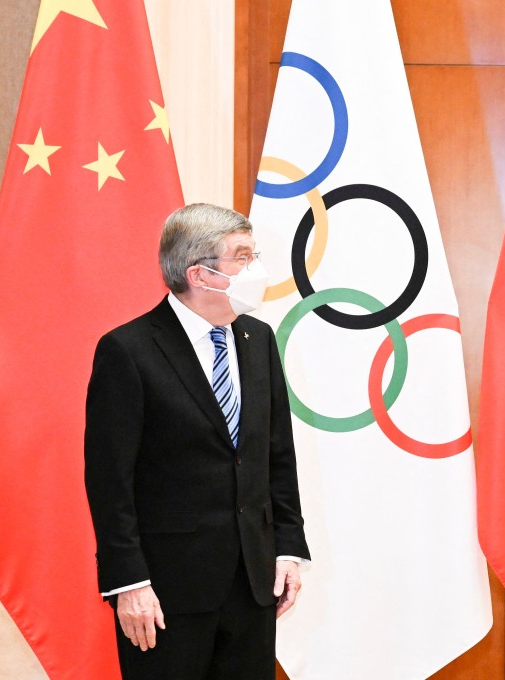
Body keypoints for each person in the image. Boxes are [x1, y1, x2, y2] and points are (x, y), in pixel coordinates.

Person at [84, 203, 310, 680]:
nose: (258, 269)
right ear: (200, 274)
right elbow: (110, 482)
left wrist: (288, 548)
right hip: (167, 592)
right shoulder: (128, 350)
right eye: (243, 257)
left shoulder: (258, 339)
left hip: (252, 582)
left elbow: (276, 454)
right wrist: (129, 582)